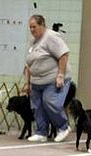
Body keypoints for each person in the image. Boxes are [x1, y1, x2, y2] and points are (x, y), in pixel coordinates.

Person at [23, 14, 72, 143]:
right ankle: (41, 132)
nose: (32, 30)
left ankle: (63, 127)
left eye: (34, 27)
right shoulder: (34, 41)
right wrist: (27, 83)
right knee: (37, 106)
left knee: (50, 102)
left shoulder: (51, 37)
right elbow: (29, 64)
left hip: (53, 78)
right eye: (30, 28)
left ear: (42, 25)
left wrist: (60, 75)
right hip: (36, 81)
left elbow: (64, 54)